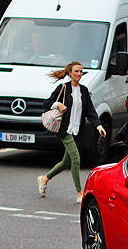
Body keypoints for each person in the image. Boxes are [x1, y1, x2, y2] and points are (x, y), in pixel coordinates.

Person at [37, 61, 106, 203]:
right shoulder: (63, 88)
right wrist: (58, 104)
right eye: (76, 71)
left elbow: (90, 111)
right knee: (76, 159)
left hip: (77, 131)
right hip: (65, 130)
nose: (79, 74)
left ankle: (44, 178)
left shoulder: (84, 91)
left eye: (81, 71)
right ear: (70, 72)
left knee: (65, 162)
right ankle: (80, 192)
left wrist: (98, 126)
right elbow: (46, 103)